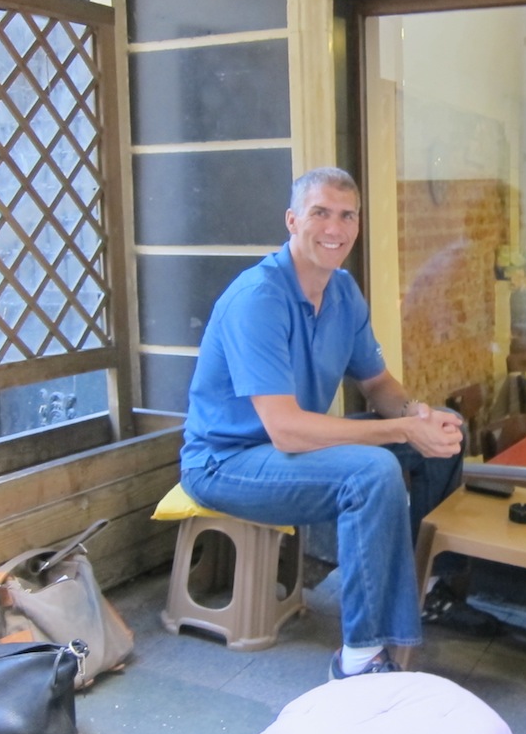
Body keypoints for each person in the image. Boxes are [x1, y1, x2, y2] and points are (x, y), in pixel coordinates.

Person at [180, 166, 490, 681]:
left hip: (291, 450)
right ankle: (359, 658)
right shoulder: (258, 299)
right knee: (371, 471)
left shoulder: (343, 291)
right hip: (225, 462)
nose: (335, 228)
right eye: (320, 213)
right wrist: (399, 431)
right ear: (292, 220)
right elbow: (285, 429)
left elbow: (379, 385)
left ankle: (430, 588)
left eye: (347, 216)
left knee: (447, 431)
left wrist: (419, 416)